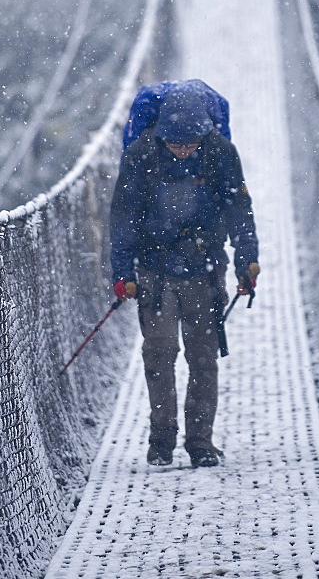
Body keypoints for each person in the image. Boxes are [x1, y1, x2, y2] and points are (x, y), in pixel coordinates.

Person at [110, 84, 260, 468]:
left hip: (204, 270)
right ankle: (161, 442)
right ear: (162, 136)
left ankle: (200, 442)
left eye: (191, 142)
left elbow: (239, 210)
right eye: (175, 143)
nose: (183, 149)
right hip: (154, 273)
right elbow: (124, 216)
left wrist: (247, 262)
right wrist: (123, 272)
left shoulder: (221, 155)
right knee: (159, 354)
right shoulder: (141, 154)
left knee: (203, 357)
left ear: (205, 135)